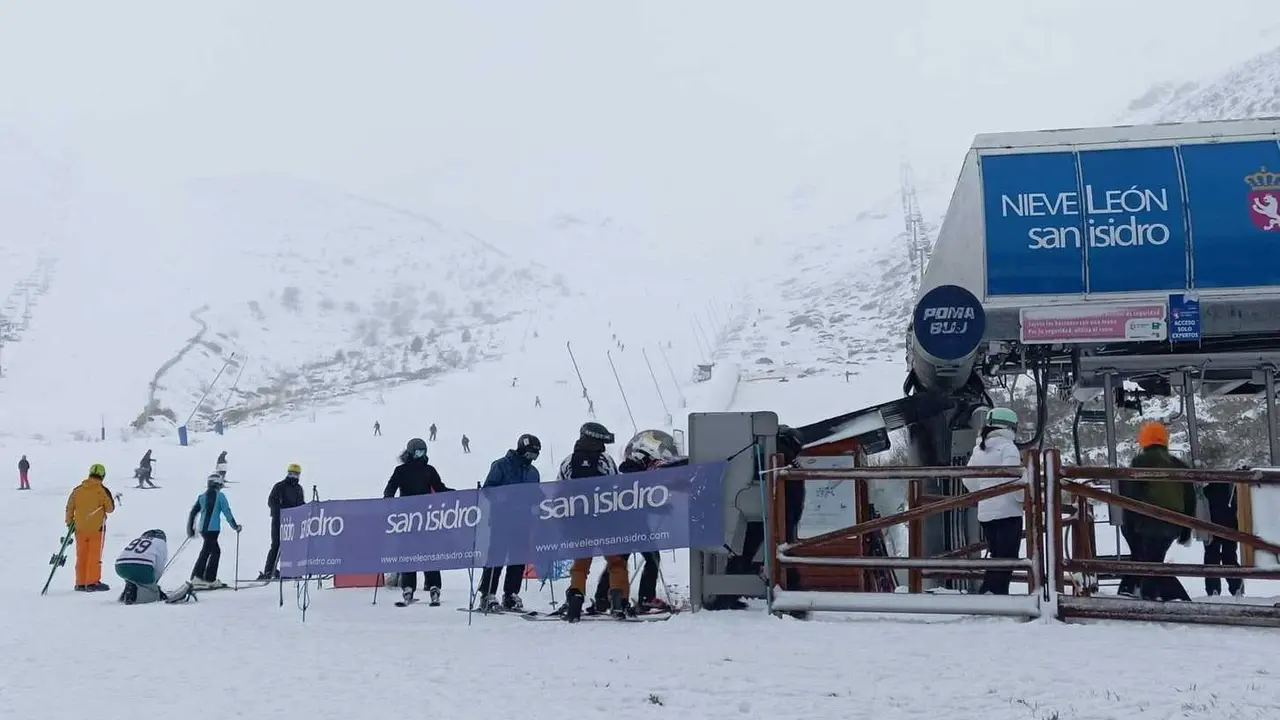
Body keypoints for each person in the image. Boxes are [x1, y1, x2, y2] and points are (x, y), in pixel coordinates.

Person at [591, 429, 680, 614]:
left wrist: (659, 506)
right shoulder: (632, 476)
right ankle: (642, 598)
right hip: (630, 525)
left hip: (633, 524)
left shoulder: (631, 473)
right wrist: (658, 507)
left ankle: (603, 598)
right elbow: (636, 499)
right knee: (644, 559)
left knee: (623, 560)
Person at [560, 422, 628, 622]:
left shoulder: (568, 462)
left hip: (579, 522)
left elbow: (559, 492)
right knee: (616, 562)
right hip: (606, 521)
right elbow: (617, 487)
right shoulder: (605, 461)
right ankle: (618, 602)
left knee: (580, 565)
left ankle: (575, 601)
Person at [1120, 421, 1195, 602]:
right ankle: (1135, 591)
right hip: (1173, 523)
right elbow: (1190, 499)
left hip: (1147, 522)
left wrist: (1129, 524)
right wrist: (1186, 529)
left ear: (1143, 440)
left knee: (1150, 562)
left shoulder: (1140, 462)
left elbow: (1130, 495)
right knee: (1152, 560)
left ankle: (1169, 597)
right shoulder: (1179, 465)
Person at [961, 407, 1028, 595]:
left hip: (986, 513)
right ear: (1010, 427)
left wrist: (983, 494)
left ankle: (991, 592)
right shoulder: (1008, 448)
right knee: (1007, 557)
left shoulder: (979, 449)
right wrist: (1023, 499)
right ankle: (994, 593)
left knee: (996, 554)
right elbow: (1014, 478)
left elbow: (967, 478)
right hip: (1008, 512)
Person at [475, 434, 542, 612]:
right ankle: (487, 593)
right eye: (529, 454)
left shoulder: (533, 472)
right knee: (496, 556)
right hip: (502, 519)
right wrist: (507, 497)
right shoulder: (501, 465)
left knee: (518, 558)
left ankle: (511, 593)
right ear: (521, 450)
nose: (531, 458)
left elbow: (536, 492)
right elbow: (488, 489)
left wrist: (539, 498)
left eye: (535, 455)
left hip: (523, 520)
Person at [384, 438, 451, 605]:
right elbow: (390, 489)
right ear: (411, 452)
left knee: (429, 552)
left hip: (426, 519)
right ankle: (408, 587)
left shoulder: (429, 470)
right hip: (407, 520)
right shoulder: (401, 470)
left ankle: (433, 586)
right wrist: (388, 504)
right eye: (417, 452)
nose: (420, 455)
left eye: (423, 452)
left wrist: (457, 494)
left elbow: (439, 488)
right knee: (409, 553)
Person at [65, 463, 116, 591]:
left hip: (80, 529)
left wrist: (69, 522)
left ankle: (80, 583)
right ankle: (92, 582)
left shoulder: (78, 490)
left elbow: (69, 507)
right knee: (94, 556)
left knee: (81, 555)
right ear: (103, 476)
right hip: (97, 529)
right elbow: (110, 509)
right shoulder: (102, 491)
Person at [187, 473, 241, 589]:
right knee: (211, 552)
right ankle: (202, 578)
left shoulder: (202, 496)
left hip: (203, 529)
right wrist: (235, 526)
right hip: (213, 529)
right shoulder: (220, 496)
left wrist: (191, 528)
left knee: (210, 551)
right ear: (218, 484)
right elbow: (227, 512)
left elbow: (193, 512)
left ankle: (202, 577)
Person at [1201, 461, 1245, 597]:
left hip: (1210, 526)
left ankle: (1213, 589)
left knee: (1211, 557)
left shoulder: (1206, 490)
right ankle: (1236, 587)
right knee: (1230, 556)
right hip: (1230, 526)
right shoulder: (1232, 489)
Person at [258, 463, 306, 581]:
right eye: (291, 474)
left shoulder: (299, 489)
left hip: (293, 523)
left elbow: (301, 504)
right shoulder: (280, 486)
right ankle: (269, 570)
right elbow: (271, 501)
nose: (293, 477)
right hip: (279, 521)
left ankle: (290, 570)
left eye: (296, 474)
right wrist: (281, 511)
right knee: (276, 545)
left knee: (292, 546)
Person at [115, 529, 170, 604]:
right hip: (142, 566)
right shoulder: (160, 542)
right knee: (149, 585)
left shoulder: (138, 540)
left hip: (120, 566)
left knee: (133, 577)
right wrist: (153, 582)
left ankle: (128, 589)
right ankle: (136, 595)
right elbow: (159, 566)